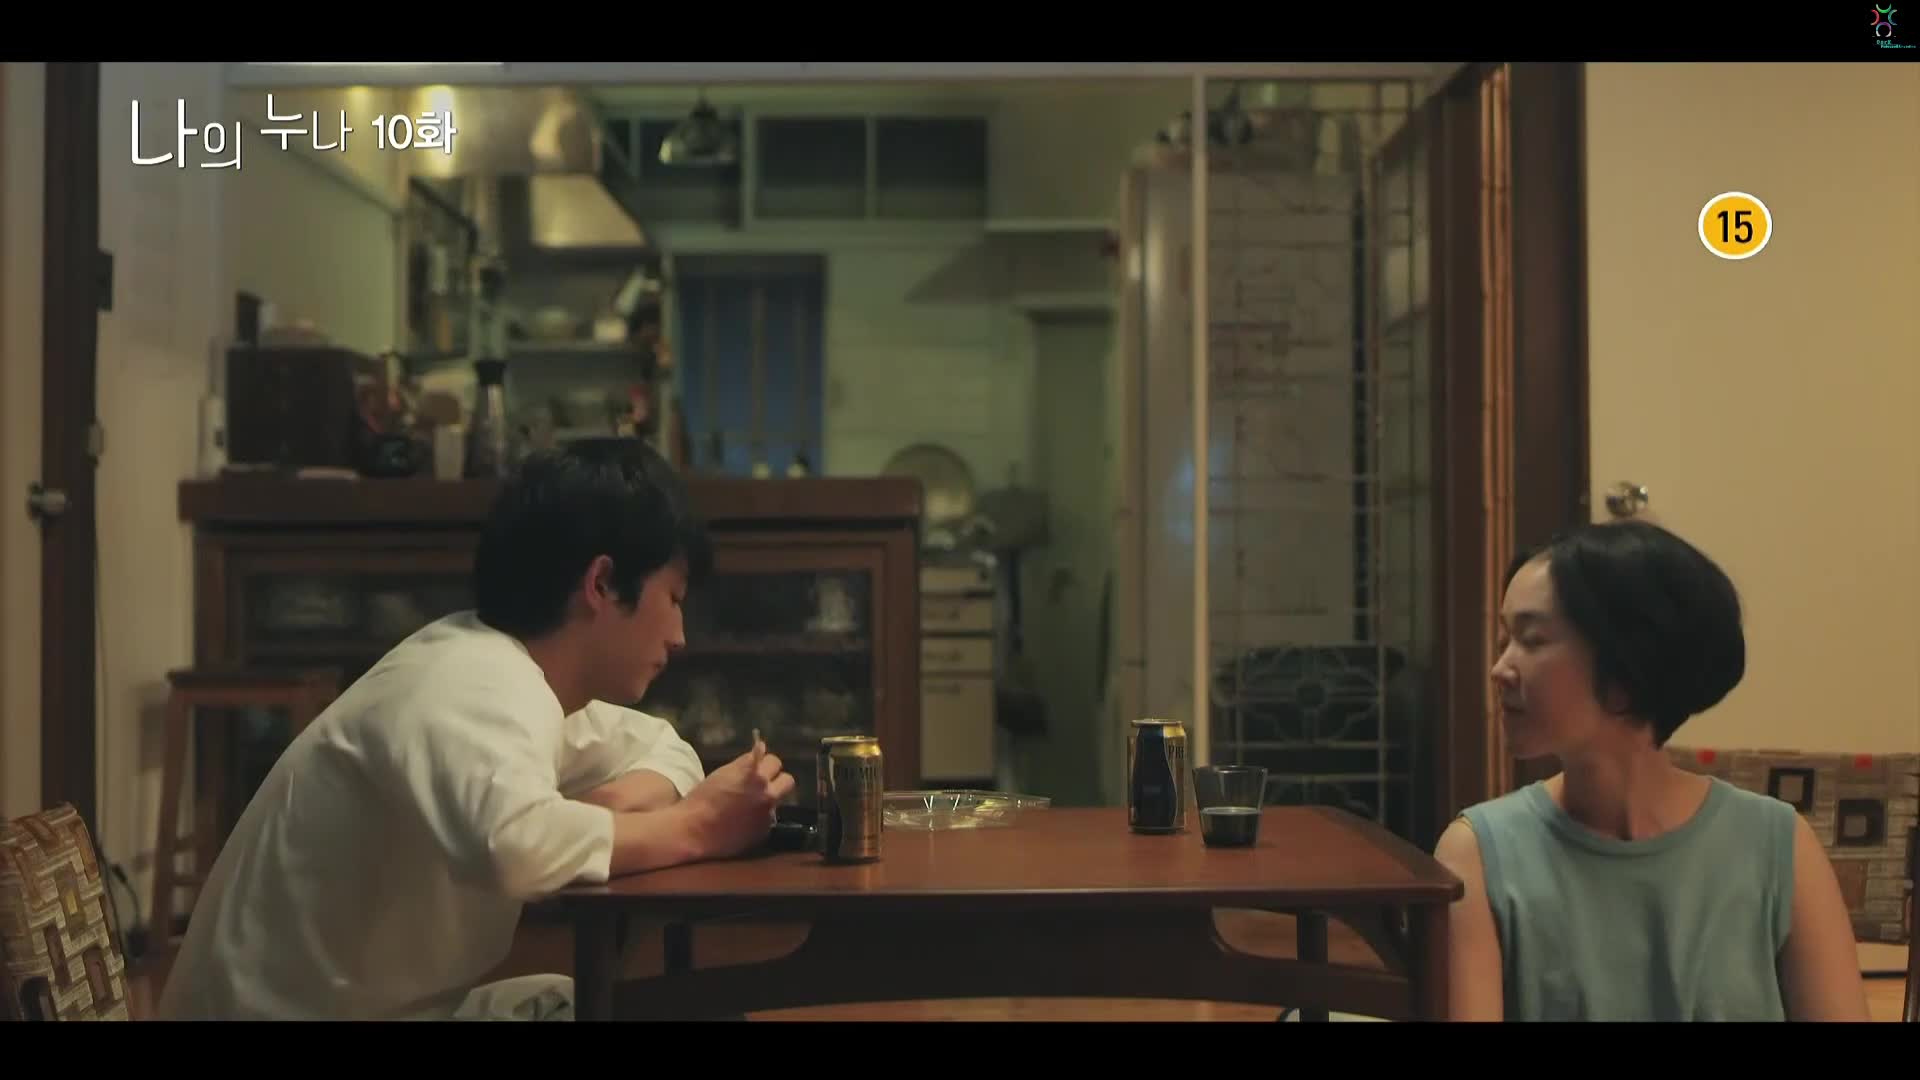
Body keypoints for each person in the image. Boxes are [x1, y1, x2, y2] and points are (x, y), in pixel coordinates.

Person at [158, 440, 794, 1021]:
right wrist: (695, 827)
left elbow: (666, 748)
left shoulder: (518, 678)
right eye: (673, 598)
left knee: (591, 1002)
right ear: (601, 584)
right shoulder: (472, 683)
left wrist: (607, 812)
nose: (679, 635)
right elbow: (517, 845)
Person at [1433, 520, 1869, 1022]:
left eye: (1531, 640)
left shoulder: (1779, 846)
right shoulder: (1479, 855)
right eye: (1504, 640)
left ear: (1627, 663)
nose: (1499, 669)